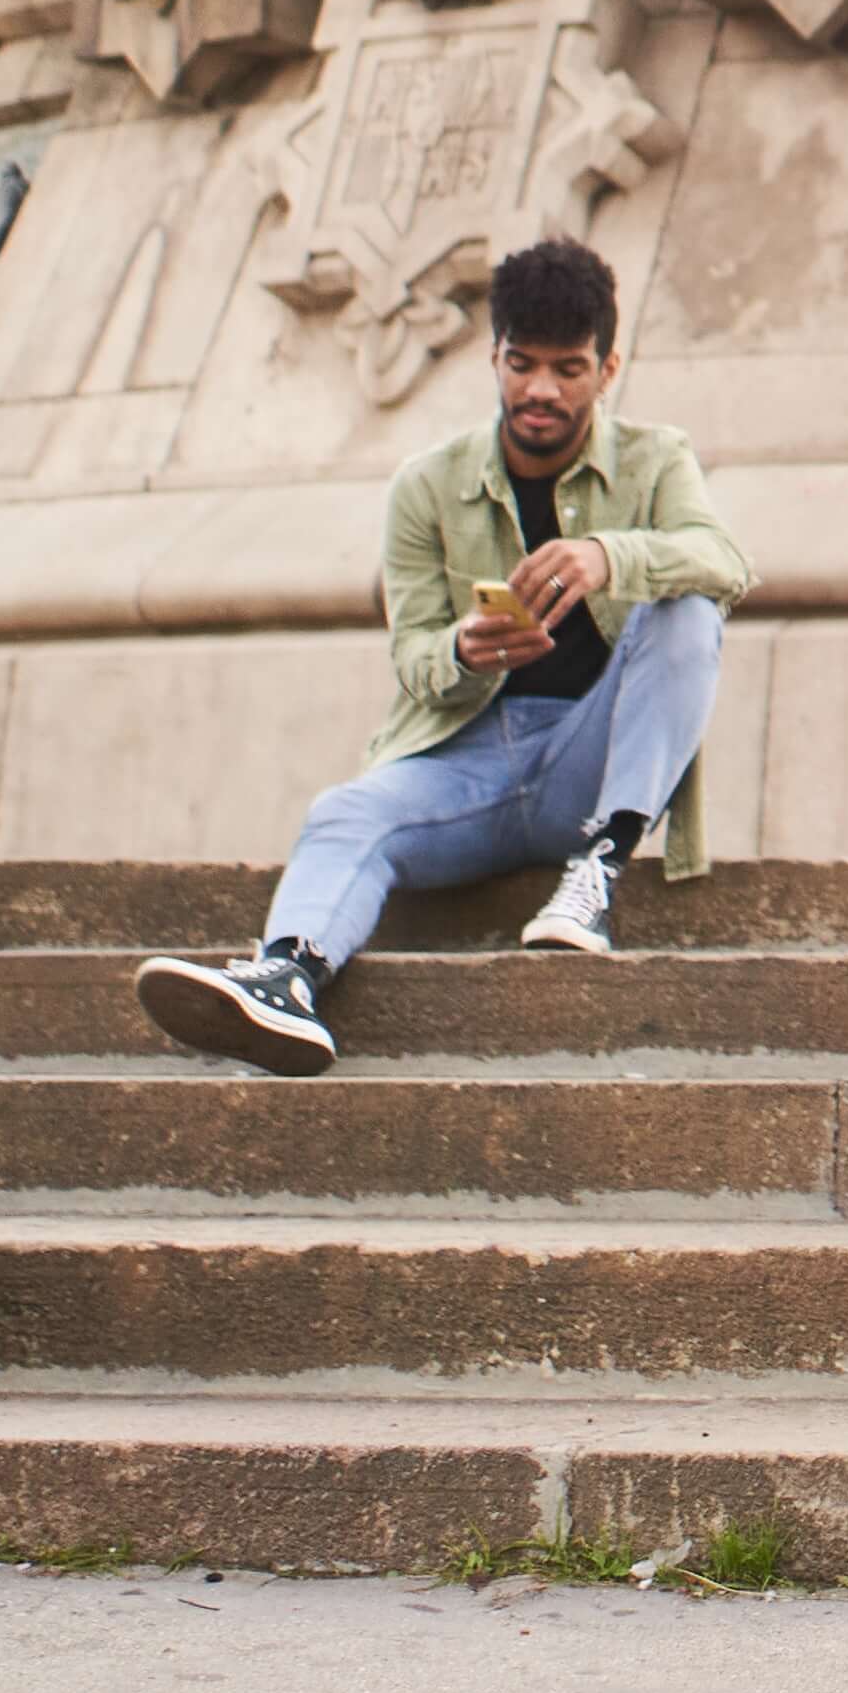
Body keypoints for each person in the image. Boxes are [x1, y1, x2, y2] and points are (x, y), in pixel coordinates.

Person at [135, 235, 752, 1069]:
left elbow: (725, 562)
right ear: (494, 358)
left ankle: (598, 872)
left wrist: (611, 556)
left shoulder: (657, 459)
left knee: (687, 610)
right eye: (521, 364)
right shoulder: (427, 484)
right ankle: (287, 978)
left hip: (591, 764)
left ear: (608, 370)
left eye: (568, 369)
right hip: (467, 769)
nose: (541, 390)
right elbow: (412, 657)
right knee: (344, 812)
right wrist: (463, 649)